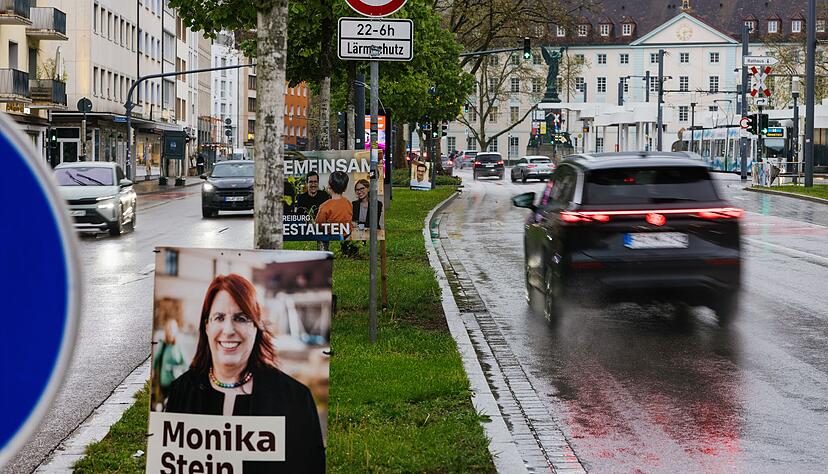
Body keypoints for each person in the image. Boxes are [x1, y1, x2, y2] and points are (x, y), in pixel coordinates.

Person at [164, 274, 325, 473]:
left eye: (241, 318)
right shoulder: (181, 392)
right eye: (219, 317)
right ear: (206, 326)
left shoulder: (296, 399)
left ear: (256, 327)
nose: (228, 330)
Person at [315, 171, 353, 238]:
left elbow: (318, 225)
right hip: (348, 236)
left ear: (329, 186)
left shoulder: (324, 206)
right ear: (345, 188)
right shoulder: (348, 203)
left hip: (332, 238)